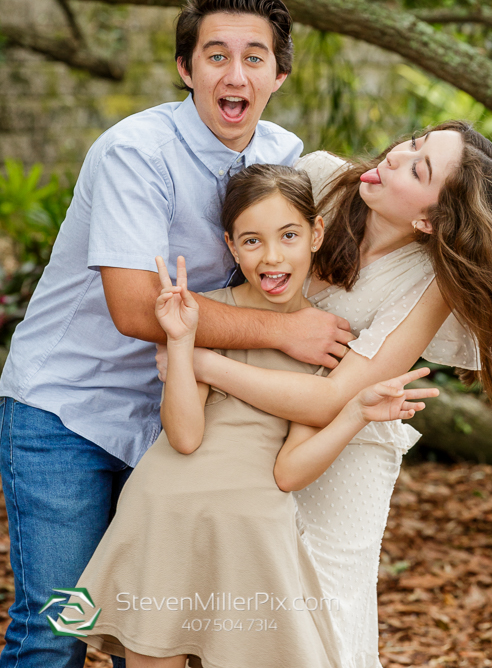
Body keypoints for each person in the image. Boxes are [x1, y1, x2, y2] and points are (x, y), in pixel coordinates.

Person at [0, 0, 353, 668]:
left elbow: (344, 232)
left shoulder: (282, 152)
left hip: (175, 424)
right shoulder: (135, 150)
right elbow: (137, 310)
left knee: (161, 634)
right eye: (214, 54)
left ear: (279, 75)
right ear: (186, 69)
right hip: (68, 411)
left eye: (254, 57)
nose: (234, 73)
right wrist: (281, 333)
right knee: (59, 624)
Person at [186, 121, 492, 668]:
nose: (398, 154)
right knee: (232, 611)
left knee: (322, 618)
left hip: (344, 442)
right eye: (414, 142)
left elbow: (334, 400)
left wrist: (203, 361)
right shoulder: (319, 179)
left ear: (430, 219)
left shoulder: (429, 282)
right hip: (244, 426)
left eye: (419, 168)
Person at [65, 165, 438, 668]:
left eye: (288, 235)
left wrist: (355, 414)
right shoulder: (209, 314)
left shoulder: (324, 340)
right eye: (252, 241)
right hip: (165, 516)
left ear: (316, 234)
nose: (273, 256)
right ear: (232, 247)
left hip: (250, 533)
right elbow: (184, 436)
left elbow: (290, 471)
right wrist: (181, 342)